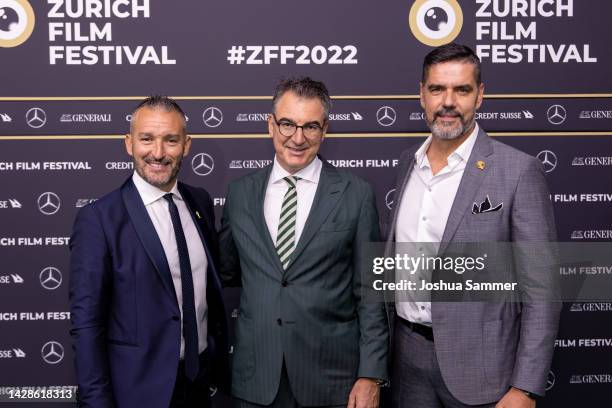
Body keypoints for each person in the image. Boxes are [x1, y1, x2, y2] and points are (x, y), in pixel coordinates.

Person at [386, 44, 561, 407]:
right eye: (437, 89)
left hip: (484, 371)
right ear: (422, 94)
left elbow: (542, 291)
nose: (448, 102)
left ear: (479, 96)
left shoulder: (517, 172)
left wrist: (525, 387)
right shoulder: (407, 164)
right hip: (406, 360)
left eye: (461, 90)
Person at [219, 77, 388, 408]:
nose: (298, 138)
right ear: (271, 125)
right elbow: (228, 272)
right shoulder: (240, 194)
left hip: (331, 380)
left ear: (324, 129)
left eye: (310, 126)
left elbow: (371, 290)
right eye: (287, 124)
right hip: (257, 380)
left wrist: (370, 375)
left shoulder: (355, 193)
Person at [69, 96, 229, 408]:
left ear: (186, 144)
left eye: (171, 140)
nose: (158, 152)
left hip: (197, 384)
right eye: (147, 139)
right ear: (129, 144)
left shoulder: (200, 201)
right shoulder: (99, 219)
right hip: (136, 392)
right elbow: (87, 326)